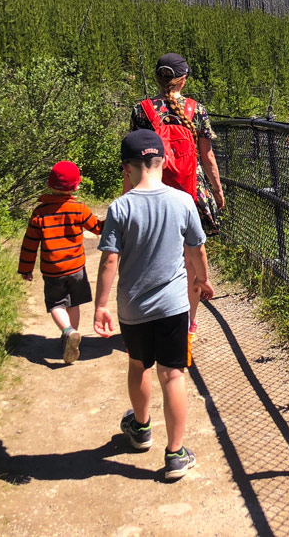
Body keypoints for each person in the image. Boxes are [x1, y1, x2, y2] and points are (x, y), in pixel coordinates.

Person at [94, 130, 214, 481]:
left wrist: (102, 305)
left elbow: (109, 262)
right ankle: (176, 454)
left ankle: (141, 428)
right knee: (173, 374)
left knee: (138, 365)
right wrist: (202, 280)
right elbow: (197, 250)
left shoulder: (120, 207)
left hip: (133, 307)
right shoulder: (182, 202)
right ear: (164, 161)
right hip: (174, 306)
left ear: (126, 168)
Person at [130, 52, 225, 336]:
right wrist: (218, 191)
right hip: (190, 191)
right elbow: (207, 157)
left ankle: (157, 317)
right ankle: (188, 322)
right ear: (183, 79)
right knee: (191, 258)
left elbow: (133, 160)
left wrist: (128, 196)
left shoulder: (142, 110)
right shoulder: (196, 109)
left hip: (152, 192)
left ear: (159, 79)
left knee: (155, 255)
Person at [18, 160, 103, 365]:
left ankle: (68, 332)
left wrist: (26, 268)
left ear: (50, 185)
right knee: (73, 303)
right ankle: (73, 336)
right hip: (76, 269)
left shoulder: (40, 212)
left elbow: (30, 243)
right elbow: (98, 229)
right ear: (76, 186)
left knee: (56, 305)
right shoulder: (79, 209)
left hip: (52, 271)